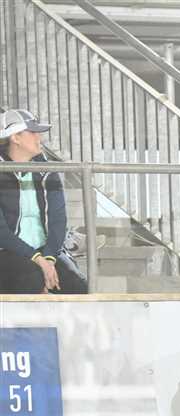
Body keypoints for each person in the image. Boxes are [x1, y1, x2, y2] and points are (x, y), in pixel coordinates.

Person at [0, 108, 87, 294]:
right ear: (15, 138)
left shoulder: (48, 171)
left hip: (45, 252)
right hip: (7, 251)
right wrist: (37, 259)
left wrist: (49, 258)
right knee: (32, 279)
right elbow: (2, 232)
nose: (39, 137)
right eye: (33, 132)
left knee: (77, 285)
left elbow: (58, 221)